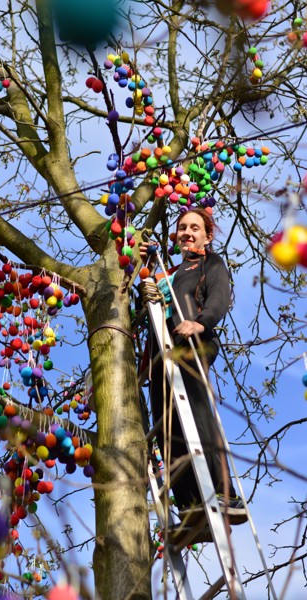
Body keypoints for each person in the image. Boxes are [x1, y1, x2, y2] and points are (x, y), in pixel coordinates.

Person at [140, 208, 246, 524]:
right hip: (161, 352)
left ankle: (223, 492)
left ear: (207, 236)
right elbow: (148, 309)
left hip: (190, 344)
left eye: (194, 228)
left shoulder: (208, 264)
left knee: (196, 413)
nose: (187, 232)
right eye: (182, 227)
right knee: (167, 425)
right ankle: (188, 501)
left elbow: (219, 297)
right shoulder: (166, 273)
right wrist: (144, 272)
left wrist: (200, 323)